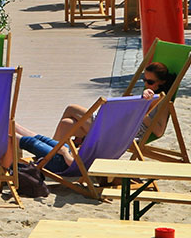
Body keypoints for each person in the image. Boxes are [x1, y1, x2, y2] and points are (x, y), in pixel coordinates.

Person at [16, 62, 173, 173]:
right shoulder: (149, 95)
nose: (146, 84)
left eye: (150, 81)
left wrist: (142, 111)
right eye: (144, 80)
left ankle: (51, 154)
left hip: (117, 135)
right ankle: (51, 155)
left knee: (71, 108)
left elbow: (158, 132)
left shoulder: (163, 102)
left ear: (162, 82)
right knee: (67, 123)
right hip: (113, 126)